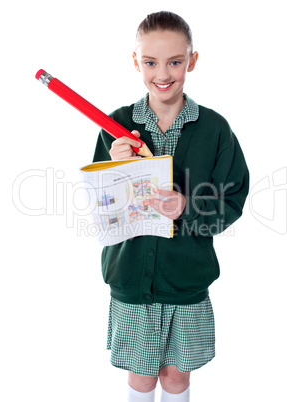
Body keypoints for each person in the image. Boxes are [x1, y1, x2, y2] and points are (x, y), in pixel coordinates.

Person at [92, 11, 249, 402]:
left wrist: (187, 207)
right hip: (132, 278)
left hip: (187, 280)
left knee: (176, 378)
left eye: (175, 62)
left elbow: (233, 199)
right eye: (150, 62)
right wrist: (116, 170)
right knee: (142, 379)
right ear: (136, 62)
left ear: (191, 61)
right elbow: (101, 208)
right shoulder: (116, 127)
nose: (162, 73)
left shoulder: (215, 130)